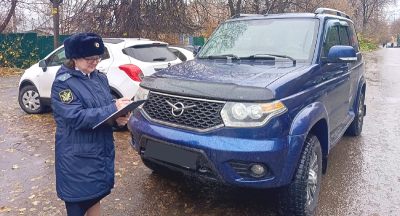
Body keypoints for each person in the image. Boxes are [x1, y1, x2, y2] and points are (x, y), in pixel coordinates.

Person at [51, 33, 131, 216]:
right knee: (79, 204)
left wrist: (118, 117)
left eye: (98, 58)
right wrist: (112, 109)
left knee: (95, 198)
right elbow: (76, 117)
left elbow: (105, 108)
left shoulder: (99, 78)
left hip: (99, 153)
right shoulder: (63, 84)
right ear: (74, 58)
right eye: (90, 59)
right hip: (77, 159)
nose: (95, 63)